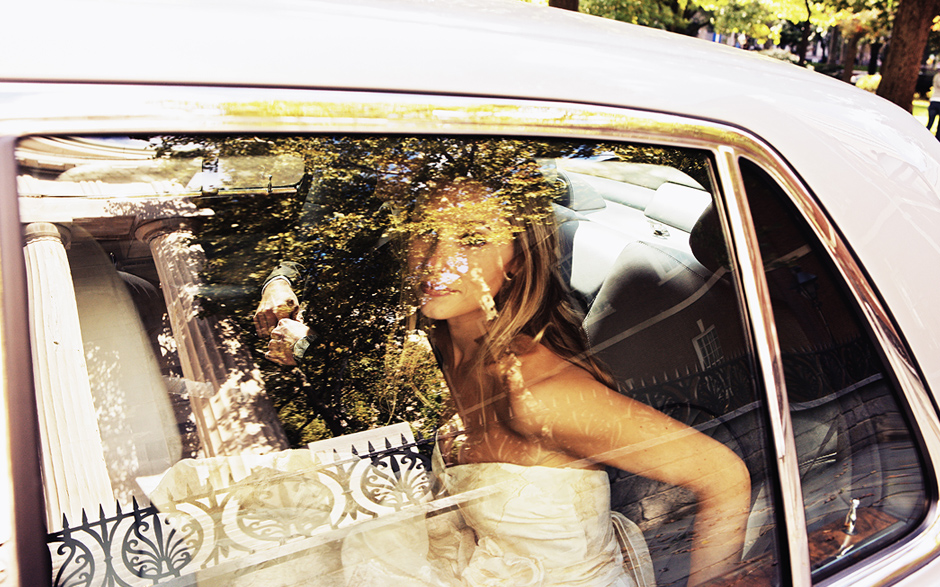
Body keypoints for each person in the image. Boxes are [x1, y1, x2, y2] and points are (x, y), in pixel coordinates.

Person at [256, 175, 751, 587]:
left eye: (471, 239)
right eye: (426, 232)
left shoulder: (542, 397)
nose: (435, 261)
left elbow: (722, 477)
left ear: (516, 260)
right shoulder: (451, 340)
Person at [927, 70, 940, 139]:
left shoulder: (936, 76)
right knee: (931, 122)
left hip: (934, 100)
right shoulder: (938, 77)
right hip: (936, 101)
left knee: (930, 122)